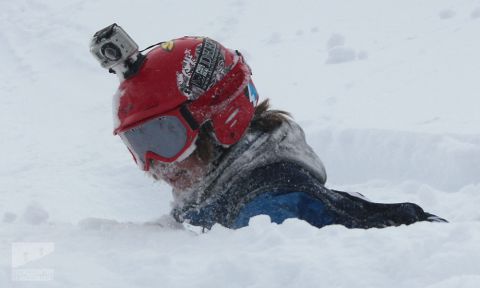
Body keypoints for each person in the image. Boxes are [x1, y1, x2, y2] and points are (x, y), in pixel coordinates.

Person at [90, 24, 446, 230]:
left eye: (164, 138)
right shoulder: (220, 192)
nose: (155, 163)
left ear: (220, 121)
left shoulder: (272, 207)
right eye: (139, 145)